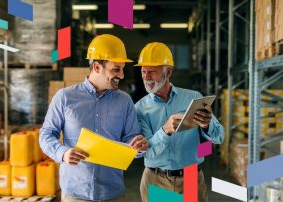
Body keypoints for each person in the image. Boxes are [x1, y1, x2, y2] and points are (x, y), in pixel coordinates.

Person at [39, 34, 148, 202]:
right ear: (97, 67)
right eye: (116, 69)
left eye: (122, 69)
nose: (122, 75)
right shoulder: (65, 97)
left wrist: (137, 145)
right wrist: (63, 153)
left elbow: (130, 138)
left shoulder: (125, 101)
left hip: (113, 193)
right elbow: (46, 134)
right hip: (75, 193)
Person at [134, 42, 225, 202]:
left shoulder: (193, 97)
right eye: (143, 71)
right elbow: (147, 152)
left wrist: (207, 125)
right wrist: (165, 130)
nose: (146, 77)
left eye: (152, 72)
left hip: (191, 177)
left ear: (168, 71)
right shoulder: (139, 109)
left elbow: (220, 137)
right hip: (157, 179)